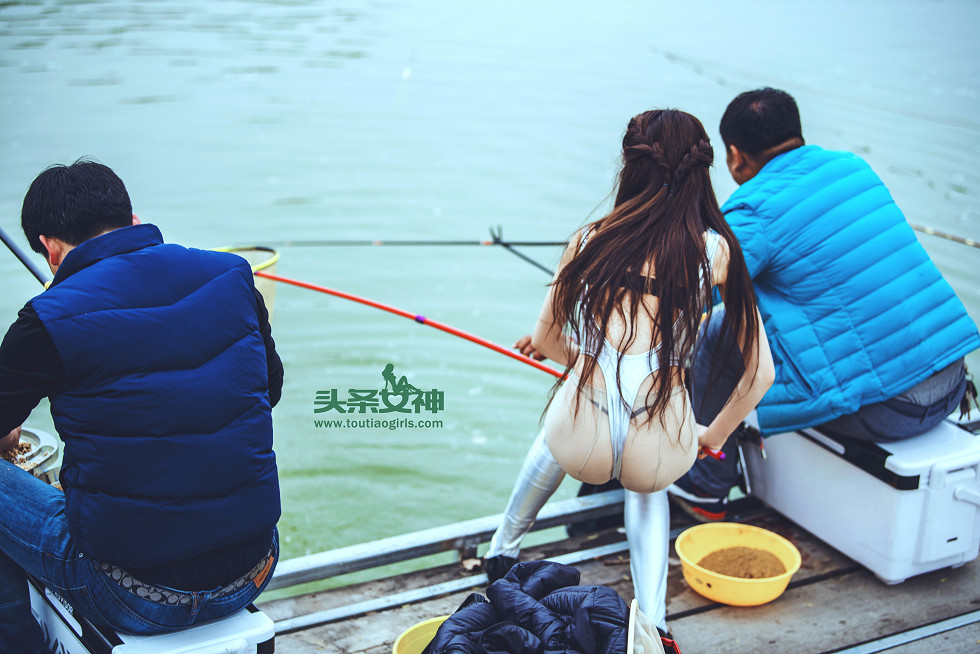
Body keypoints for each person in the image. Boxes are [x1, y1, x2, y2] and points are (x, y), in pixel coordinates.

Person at [483, 109, 775, 630]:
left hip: (579, 443)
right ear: (700, 170)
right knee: (649, 486)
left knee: (557, 424)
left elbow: (550, 340)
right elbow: (759, 376)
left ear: (629, 165)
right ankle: (656, 625)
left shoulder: (588, 237)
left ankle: (502, 551)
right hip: (656, 451)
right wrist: (711, 434)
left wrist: (587, 362)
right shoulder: (717, 252)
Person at [0, 160, 284, 653]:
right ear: (132, 217)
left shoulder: (45, 319)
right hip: (254, 569)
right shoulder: (233, 274)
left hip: (128, 594)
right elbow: (269, 390)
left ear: (49, 248)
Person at [668, 88, 980, 522]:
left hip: (890, 410)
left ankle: (703, 483)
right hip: (952, 384)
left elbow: (692, 294)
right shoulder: (853, 168)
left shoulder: (752, 209)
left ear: (735, 155)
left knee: (719, 330)